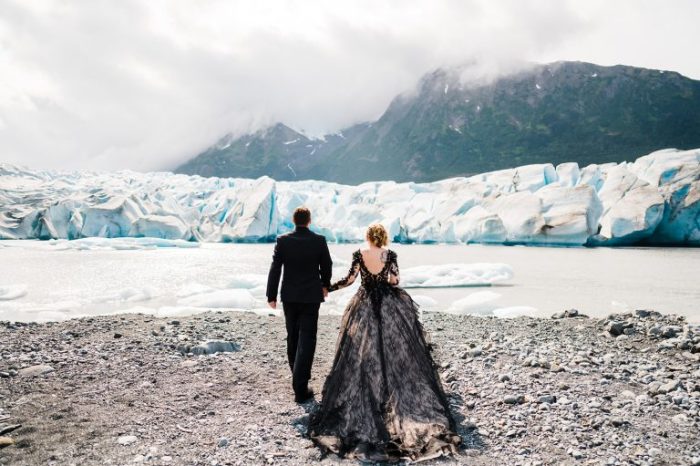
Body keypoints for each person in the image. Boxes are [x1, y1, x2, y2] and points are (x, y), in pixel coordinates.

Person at [309, 224, 461, 462]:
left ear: (368, 237)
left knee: (363, 352)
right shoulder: (389, 255)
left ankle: (373, 392)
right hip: (388, 306)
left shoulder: (360, 254)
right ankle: (391, 396)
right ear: (384, 237)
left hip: (365, 305)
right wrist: (385, 277)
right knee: (394, 350)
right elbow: (395, 279)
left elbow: (350, 279)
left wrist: (330, 286)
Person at [266, 207, 333, 403]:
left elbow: (275, 268)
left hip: (289, 296)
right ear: (309, 221)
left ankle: (297, 378)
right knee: (308, 338)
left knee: (292, 336)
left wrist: (271, 295)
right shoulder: (319, 240)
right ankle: (300, 386)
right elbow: (326, 265)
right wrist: (325, 285)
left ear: (294, 221)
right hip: (311, 296)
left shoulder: (283, 241)